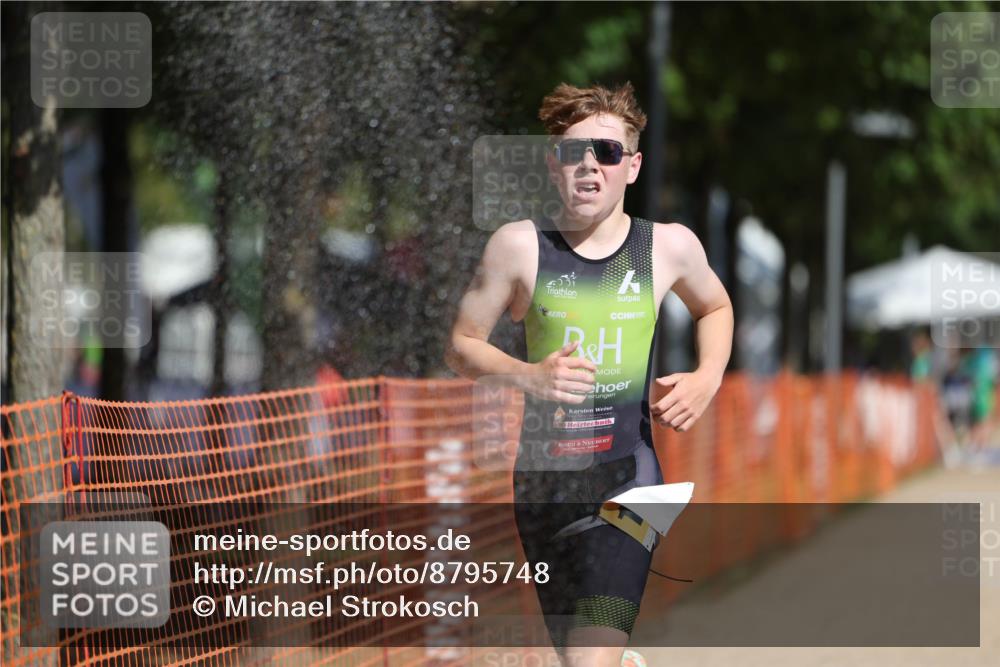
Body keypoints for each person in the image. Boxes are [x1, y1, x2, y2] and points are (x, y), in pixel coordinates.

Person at [445, 81, 733, 666]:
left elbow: (716, 306)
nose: (589, 165)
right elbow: (461, 345)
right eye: (573, 152)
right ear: (553, 165)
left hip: (629, 481)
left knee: (587, 659)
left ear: (632, 166)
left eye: (606, 152)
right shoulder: (519, 247)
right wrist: (529, 376)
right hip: (543, 487)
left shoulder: (666, 247)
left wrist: (708, 376)